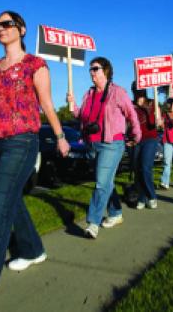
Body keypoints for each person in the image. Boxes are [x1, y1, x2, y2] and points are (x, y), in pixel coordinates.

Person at [0, 10, 70, 307]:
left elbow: (45, 102)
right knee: (11, 201)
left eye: (7, 24)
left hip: (21, 141)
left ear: (20, 29)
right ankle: (33, 250)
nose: (1, 29)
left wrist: (60, 136)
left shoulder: (36, 64)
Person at [67, 57, 141, 239]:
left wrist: (136, 134)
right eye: (90, 69)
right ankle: (115, 213)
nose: (92, 72)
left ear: (105, 70)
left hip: (111, 143)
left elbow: (131, 114)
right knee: (106, 182)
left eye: (95, 68)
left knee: (101, 183)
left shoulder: (117, 92)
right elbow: (81, 116)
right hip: (92, 143)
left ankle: (93, 222)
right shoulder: (89, 94)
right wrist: (72, 105)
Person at [131, 83, 162, 209]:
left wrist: (159, 121)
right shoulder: (131, 104)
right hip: (136, 140)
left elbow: (159, 123)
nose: (136, 92)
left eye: (138, 89)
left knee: (145, 168)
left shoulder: (152, 102)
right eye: (134, 90)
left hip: (150, 138)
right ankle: (141, 197)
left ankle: (152, 196)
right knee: (137, 170)